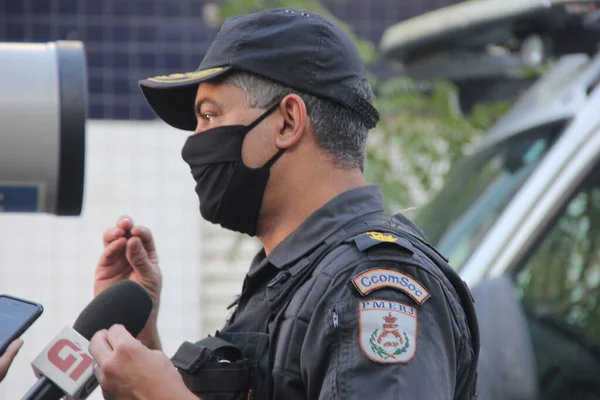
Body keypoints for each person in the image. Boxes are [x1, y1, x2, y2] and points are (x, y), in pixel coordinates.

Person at [89, 8, 479, 400]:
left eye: (210, 115)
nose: (195, 144)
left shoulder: (378, 288)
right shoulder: (295, 277)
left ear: (288, 121)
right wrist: (140, 342)